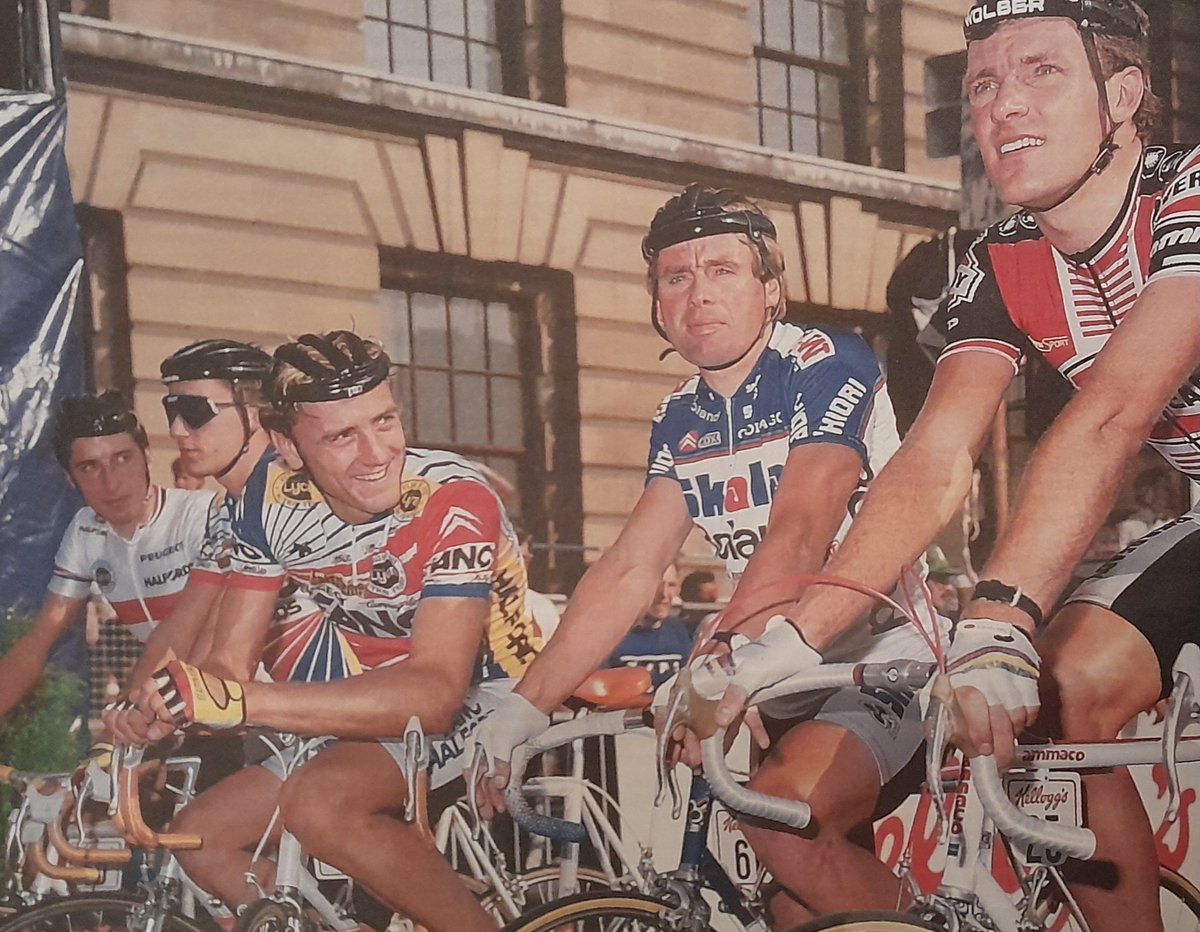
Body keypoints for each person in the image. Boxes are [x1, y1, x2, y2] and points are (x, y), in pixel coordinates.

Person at [702, 2, 1197, 927]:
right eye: (983, 83)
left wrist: (999, 616)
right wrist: (797, 637)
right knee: (1067, 688)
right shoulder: (1002, 258)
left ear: (1122, 95)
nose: (1004, 104)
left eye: (1043, 72)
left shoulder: (1191, 196)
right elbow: (933, 458)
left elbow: (1115, 414)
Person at [468, 184, 940, 926]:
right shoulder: (679, 417)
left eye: (723, 270)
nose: (698, 295)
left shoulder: (824, 360)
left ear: (771, 288)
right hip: (775, 679)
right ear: (656, 302)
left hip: (883, 658)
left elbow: (800, 529)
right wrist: (525, 707)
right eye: (676, 277)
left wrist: (712, 659)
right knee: (792, 908)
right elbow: (629, 567)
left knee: (782, 830)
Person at [134, 331, 540, 932]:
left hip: (490, 690)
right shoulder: (265, 504)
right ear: (285, 446)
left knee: (320, 803)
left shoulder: (452, 498)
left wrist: (241, 700)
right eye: (342, 436)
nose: (377, 454)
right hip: (368, 700)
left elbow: (434, 694)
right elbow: (229, 667)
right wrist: (173, 702)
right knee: (200, 835)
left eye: (385, 421)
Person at [0, 392, 214, 720]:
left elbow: (202, 634)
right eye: (89, 467)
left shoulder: (200, 515)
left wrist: (132, 712)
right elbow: (38, 641)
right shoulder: (85, 531)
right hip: (177, 705)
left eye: (123, 459)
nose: (111, 482)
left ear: (147, 457)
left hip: (243, 697)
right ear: (71, 479)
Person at [105, 339, 276, 748]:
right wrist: (132, 711)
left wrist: (161, 706)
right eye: (172, 412)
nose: (177, 430)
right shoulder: (224, 510)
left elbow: (223, 638)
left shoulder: (280, 498)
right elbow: (181, 625)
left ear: (254, 414)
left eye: (196, 413)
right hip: (277, 720)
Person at [607, 564, 692, 687]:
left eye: (671, 585)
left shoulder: (678, 631)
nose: (664, 594)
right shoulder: (609, 635)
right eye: (656, 584)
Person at [1116, 467, 1180, 548]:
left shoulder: (1172, 523)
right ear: (1148, 492)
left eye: (1168, 489)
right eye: (1164, 489)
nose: (1169, 494)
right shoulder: (1128, 526)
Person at [678, 568, 720, 635]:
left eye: (714, 592)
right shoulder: (679, 627)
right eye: (708, 594)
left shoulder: (718, 621)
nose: (714, 596)